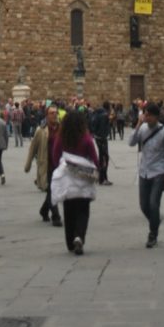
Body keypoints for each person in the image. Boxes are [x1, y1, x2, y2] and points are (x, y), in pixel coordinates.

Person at [49, 109, 99, 254]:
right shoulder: (86, 138)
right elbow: (95, 159)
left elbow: (55, 157)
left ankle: (70, 242)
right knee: (83, 211)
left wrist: (61, 168)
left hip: (67, 180)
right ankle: (79, 237)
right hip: (83, 179)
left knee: (69, 211)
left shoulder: (61, 138)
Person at [129, 101, 164, 249]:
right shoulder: (142, 128)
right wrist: (137, 124)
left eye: (149, 115)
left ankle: (152, 233)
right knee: (144, 205)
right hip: (144, 170)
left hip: (159, 171)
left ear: (156, 116)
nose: (146, 117)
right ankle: (155, 222)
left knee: (154, 203)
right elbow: (131, 142)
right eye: (145, 115)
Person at [25, 104, 62, 225]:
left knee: (53, 191)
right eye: (52, 113)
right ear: (47, 115)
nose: (54, 115)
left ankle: (44, 210)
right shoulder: (40, 130)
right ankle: (56, 217)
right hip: (47, 165)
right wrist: (28, 164)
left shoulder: (61, 128)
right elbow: (32, 148)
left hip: (60, 165)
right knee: (52, 191)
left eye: (56, 112)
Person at [90, 101, 112, 184]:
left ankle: (100, 177)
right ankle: (103, 179)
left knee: (101, 157)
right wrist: (103, 137)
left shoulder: (97, 113)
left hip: (97, 137)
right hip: (102, 139)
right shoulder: (104, 115)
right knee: (104, 158)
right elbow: (103, 128)